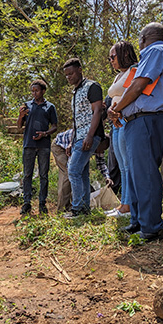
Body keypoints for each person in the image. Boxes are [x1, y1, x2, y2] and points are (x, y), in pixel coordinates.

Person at [108, 22, 163, 241]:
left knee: (145, 173)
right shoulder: (152, 54)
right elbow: (134, 89)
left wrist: (116, 109)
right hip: (136, 121)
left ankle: (152, 226)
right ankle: (138, 221)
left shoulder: (156, 50)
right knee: (136, 173)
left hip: (147, 119)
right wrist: (119, 111)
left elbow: (138, 87)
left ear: (144, 37)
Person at [63, 58, 104, 217]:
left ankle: (77, 208)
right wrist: (71, 142)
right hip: (78, 137)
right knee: (82, 172)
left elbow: (97, 112)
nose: (69, 77)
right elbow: (76, 120)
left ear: (80, 69)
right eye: (66, 75)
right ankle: (85, 208)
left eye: (71, 73)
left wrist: (89, 136)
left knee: (73, 170)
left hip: (89, 136)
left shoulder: (92, 87)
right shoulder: (75, 92)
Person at [105, 41, 139, 218]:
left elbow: (133, 94)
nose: (111, 60)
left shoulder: (134, 71)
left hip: (126, 120)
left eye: (113, 56)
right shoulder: (119, 76)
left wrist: (116, 110)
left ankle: (129, 205)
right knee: (121, 165)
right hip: (115, 122)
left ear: (124, 54)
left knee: (128, 164)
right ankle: (123, 204)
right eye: (109, 58)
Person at [17, 80, 58, 215]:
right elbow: (19, 126)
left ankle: (42, 203)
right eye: (32, 91)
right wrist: (21, 116)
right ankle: (27, 203)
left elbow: (54, 126)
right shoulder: (27, 106)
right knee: (27, 174)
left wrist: (45, 134)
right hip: (29, 144)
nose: (34, 93)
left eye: (37, 90)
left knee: (43, 175)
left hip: (43, 145)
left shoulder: (50, 107)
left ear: (43, 91)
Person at [52, 129, 113, 213]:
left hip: (72, 147)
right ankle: (62, 209)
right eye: (99, 149)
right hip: (60, 146)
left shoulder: (98, 147)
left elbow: (101, 163)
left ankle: (80, 205)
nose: (99, 152)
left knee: (79, 174)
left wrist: (107, 177)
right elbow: (72, 167)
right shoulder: (85, 140)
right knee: (67, 174)